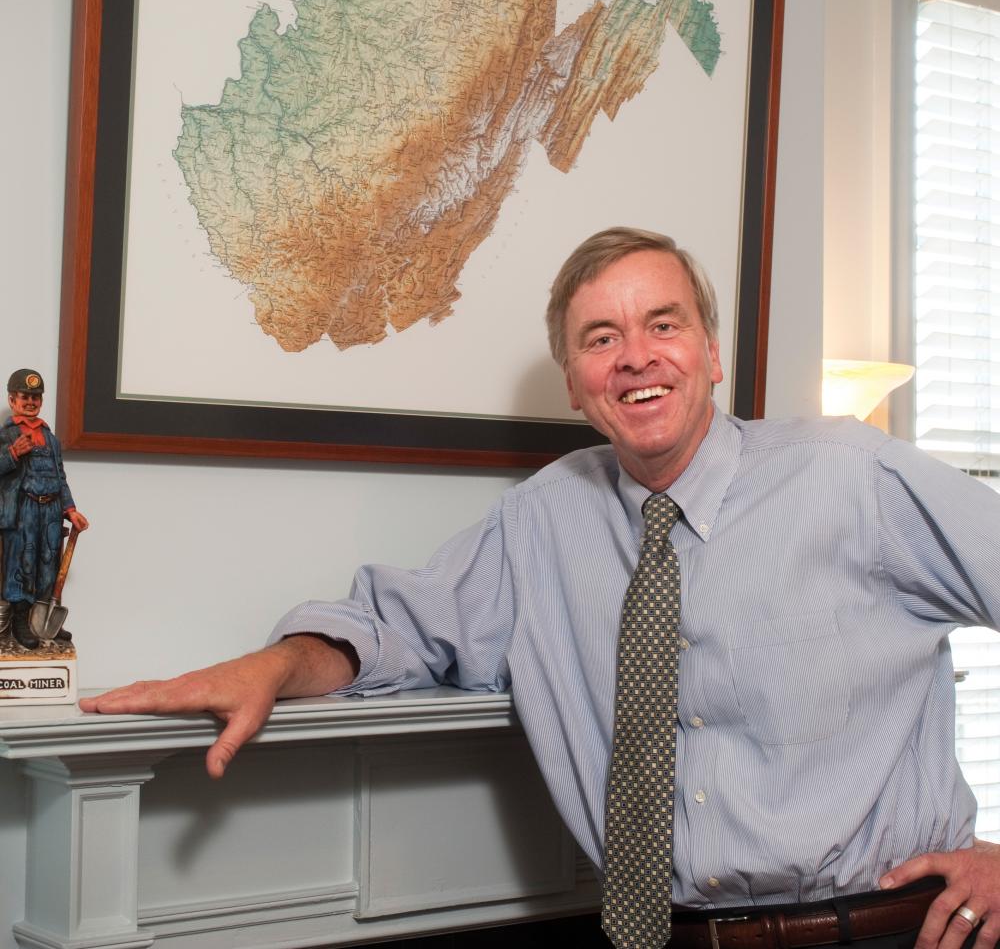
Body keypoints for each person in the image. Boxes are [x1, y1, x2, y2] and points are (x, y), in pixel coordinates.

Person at [80, 229, 1000, 949]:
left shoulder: (849, 477)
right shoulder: (542, 522)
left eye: (663, 325)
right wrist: (275, 667)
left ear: (712, 354)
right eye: (602, 338)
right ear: (574, 381)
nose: (635, 357)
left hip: (890, 932)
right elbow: (400, 630)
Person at [0, 369, 89, 649]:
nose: (30, 402)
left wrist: (70, 509)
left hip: (50, 511)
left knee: (48, 564)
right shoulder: (6, 435)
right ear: (12, 400)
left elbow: (60, 477)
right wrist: (12, 453)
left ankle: (44, 623)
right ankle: (20, 622)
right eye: (24, 397)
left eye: (35, 398)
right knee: (21, 565)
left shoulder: (51, 439)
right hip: (23, 510)